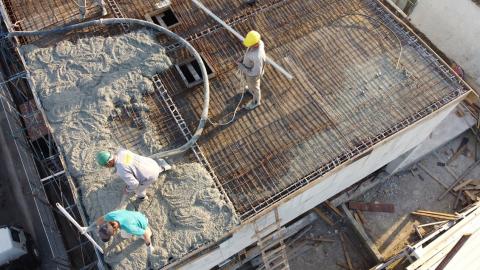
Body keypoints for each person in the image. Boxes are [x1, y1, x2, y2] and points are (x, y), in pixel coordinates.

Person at [96, 148, 171, 201]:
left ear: (109, 163)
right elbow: (127, 162)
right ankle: (165, 167)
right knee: (145, 169)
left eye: (105, 166)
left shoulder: (121, 170)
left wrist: (127, 190)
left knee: (138, 190)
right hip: (151, 163)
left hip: (150, 176)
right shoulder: (121, 151)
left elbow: (134, 183)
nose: (106, 167)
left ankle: (143, 198)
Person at [82, 210, 154, 253]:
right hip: (133, 215)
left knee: (144, 235)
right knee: (124, 235)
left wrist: (149, 246)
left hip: (142, 221)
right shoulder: (110, 216)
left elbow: (145, 233)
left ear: (113, 233)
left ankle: (148, 229)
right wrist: (88, 228)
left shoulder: (129, 228)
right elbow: (98, 222)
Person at [237, 30, 266, 110]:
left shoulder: (257, 56)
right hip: (249, 69)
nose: (248, 46)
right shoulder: (259, 42)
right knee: (250, 85)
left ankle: (256, 102)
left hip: (253, 75)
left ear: (256, 44)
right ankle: (250, 89)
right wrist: (243, 58)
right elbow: (249, 53)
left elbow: (255, 72)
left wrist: (241, 67)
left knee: (255, 88)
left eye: (250, 45)